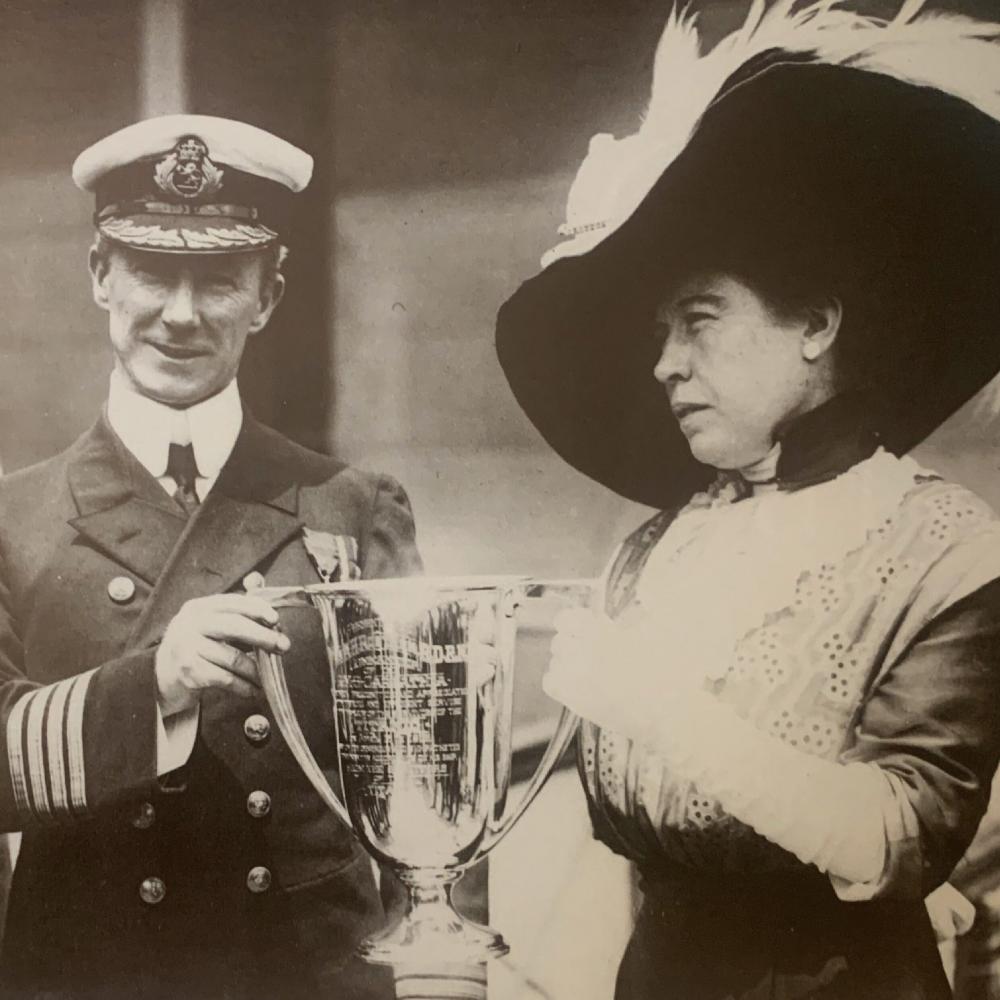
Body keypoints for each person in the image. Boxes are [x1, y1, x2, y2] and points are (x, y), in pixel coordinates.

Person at [495, 3, 1000, 998]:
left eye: (699, 321)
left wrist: (660, 709)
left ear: (814, 322)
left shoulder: (942, 548)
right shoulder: (664, 543)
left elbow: (898, 838)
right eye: (658, 333)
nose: (665, 365)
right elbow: (629, 861)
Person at [0, 115, 420, 998]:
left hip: (307, 974)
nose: (182, 316)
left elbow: (419, 777)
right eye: (153, 272)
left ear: (268, 294)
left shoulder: (352, 503)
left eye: (220, 280)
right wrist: (153, 685)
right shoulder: (13, 519)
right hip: (90, 973)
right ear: (101, 276)